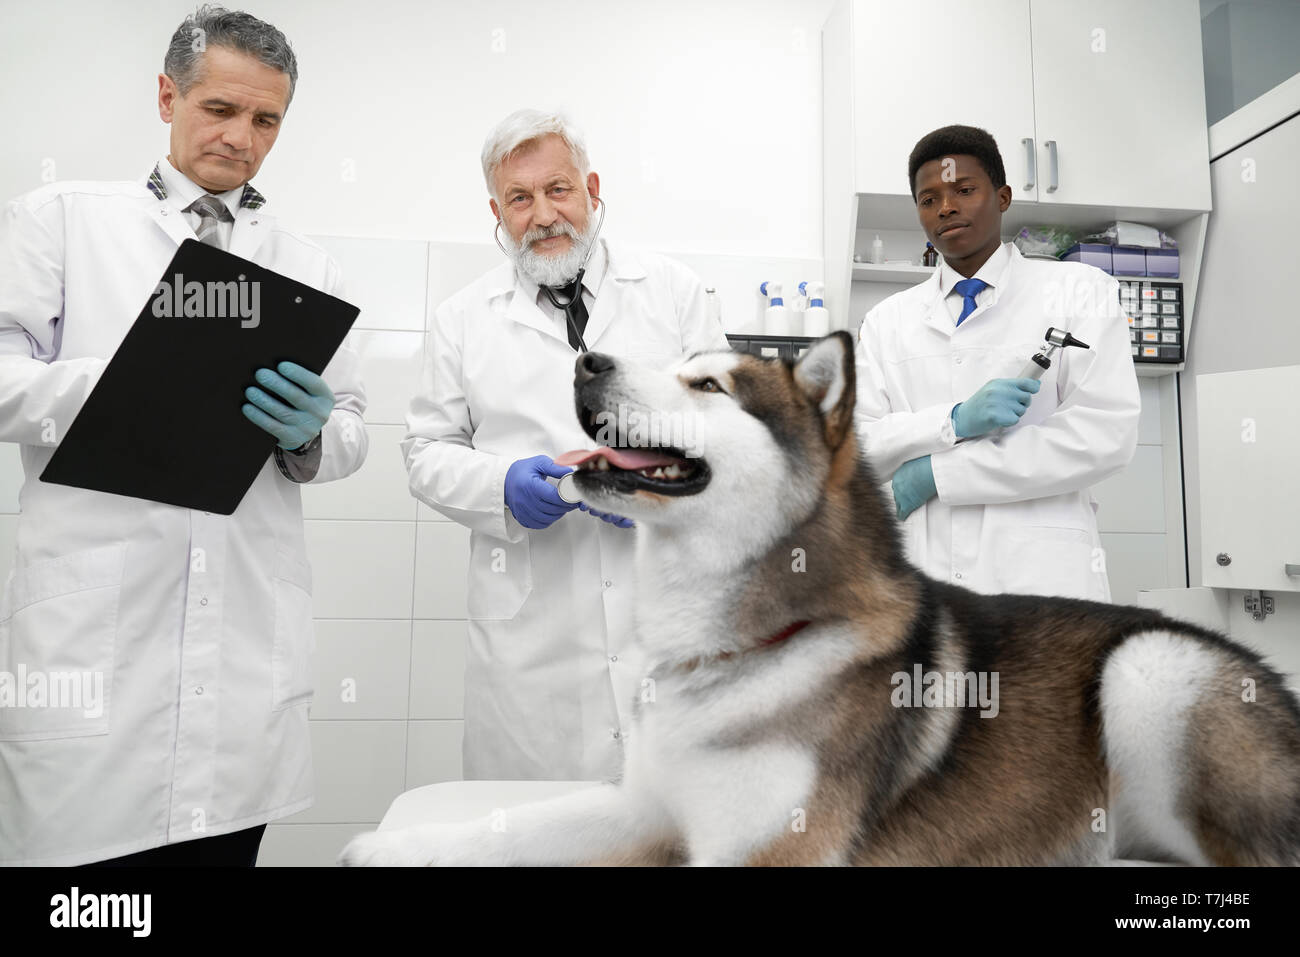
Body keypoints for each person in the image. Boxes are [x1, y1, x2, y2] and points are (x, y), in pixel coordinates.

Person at [0, 5, 367, 866]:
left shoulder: (309, 265)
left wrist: (312, 439)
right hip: (93, 653)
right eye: (220, 109)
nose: (241, 137)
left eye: (266, 119)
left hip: (243, 662)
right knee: (81, 904)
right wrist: (123, 385)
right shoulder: (61, 220)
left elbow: (350, 425)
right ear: (168, 97)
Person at [404, 109, 728, 782]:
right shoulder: (461, 319)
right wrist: (503, 486)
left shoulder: (674, 292)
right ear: (497, 211)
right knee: (531, 833)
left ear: (592, 190)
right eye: (520, 198)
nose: (544, 214)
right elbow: (425, 451)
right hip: (529, 642)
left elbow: (726, 429)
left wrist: (658, 483)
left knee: (668, 830)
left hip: (662, 614)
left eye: (558, 189)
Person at [853, 124, 1139, 601]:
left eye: (964, 190)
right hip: (921, 578)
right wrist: (950, 421)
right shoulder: (886, 321)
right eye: (929, 199)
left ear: (1003, 196)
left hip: (1040, 579)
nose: (946, 207)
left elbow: (1103, 436)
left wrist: (936, 475)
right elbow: (856, 443)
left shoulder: (1080, 290)